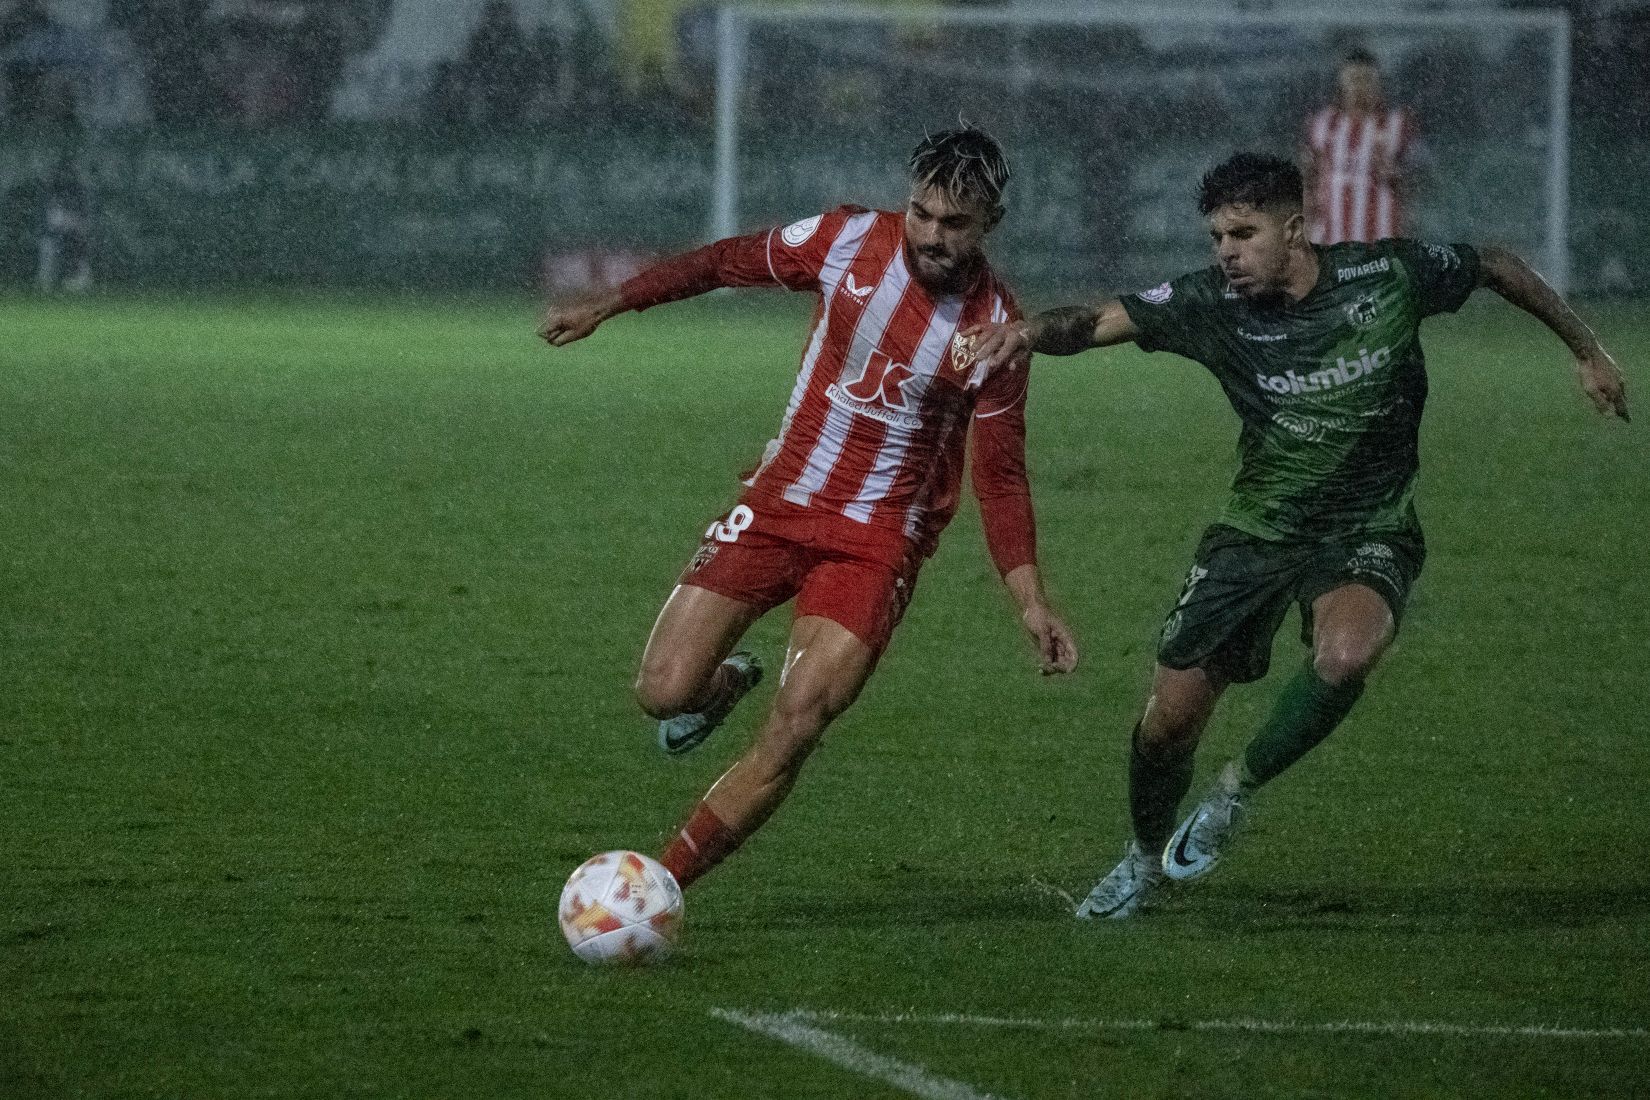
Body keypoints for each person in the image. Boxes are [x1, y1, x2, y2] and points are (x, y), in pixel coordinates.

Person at [963, 152, 1628, 919]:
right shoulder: (1210, 302)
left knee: (1347, 652)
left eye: (1242, 234)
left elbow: (1499, 266)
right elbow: (1094, 320)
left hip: (1366, 526)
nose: (1226, 252)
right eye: (1217, 236)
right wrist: (1024, 332)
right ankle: (1143, 860)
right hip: (1256, 532)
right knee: (1167, 725)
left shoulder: (1388, 277)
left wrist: (1588, 350)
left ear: (1295, 228)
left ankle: (1231, 796)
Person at [537, 126, 1079, 890]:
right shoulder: (846, 238)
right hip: (781, 501)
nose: (931, 234)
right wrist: (613, 303)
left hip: (878, 541)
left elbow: (1000, 477)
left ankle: (658, 886)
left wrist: (1031, 602)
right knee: (663, 691)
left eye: (954, 223)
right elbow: (726, 261)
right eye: (921, 212)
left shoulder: (995, 332)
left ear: (989, 222)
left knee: (798, 723)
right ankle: (723, 684)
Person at [1301, 48, 1420, 245]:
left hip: (1382, 240)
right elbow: (1308, 178)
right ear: (1341, 84)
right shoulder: (1322, 124)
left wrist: (1397, 176)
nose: (1359, 87)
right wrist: (1306, 224)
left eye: (1366, 79)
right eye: (1353, 79)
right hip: (1332, 239)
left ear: (1378, 84)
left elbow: (1421, 180)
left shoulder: (1398, 126)